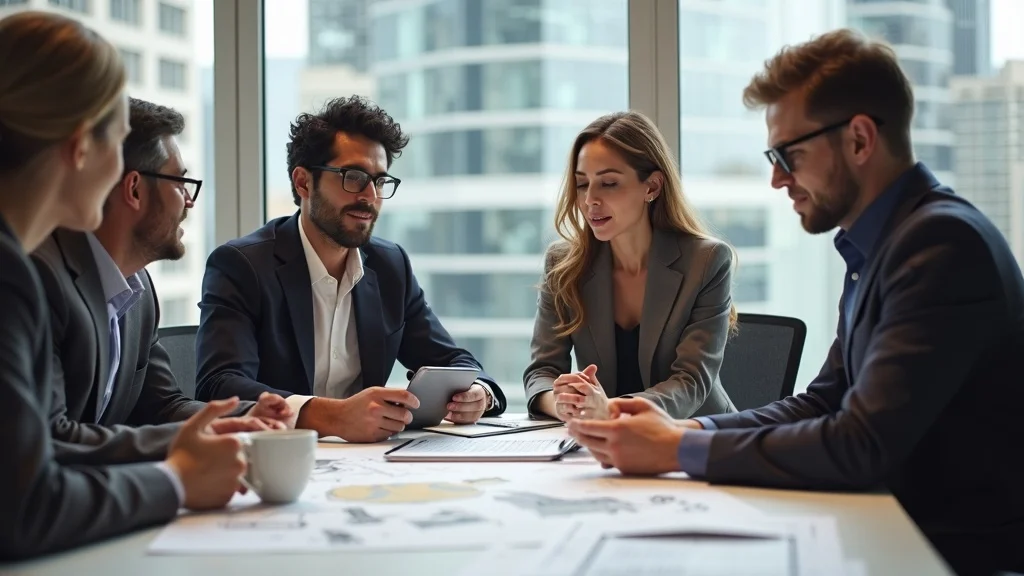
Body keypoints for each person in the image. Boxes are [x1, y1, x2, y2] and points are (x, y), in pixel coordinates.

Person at [566, 29, 1024, 575]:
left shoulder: (940, 245)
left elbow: (859, 443)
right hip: (886, 527)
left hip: (944, 551)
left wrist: (674, 452)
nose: (777, 178)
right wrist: (686, 431)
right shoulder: (883, 245)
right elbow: (824, 400)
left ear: (859, 140)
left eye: (790, 154)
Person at [0, 12, 249, 560]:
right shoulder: (17, 273)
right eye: (114, 140)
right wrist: (179, 480)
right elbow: (25, 502)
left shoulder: (132, 289)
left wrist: (239, 426)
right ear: (80, 145)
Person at [195, 96, 506, 443]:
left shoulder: (390, 265)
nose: (370, 196)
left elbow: (452, 361)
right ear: (303, 183)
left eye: (380, 181)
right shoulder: (243, 265)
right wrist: (332, 416)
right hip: (275, 458)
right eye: (354, 177)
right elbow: (219, 385)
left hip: (368, 463)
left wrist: (479, 392)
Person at [31, 97, 293, 466]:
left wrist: (244, 421)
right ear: (135, 189)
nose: (188, 201)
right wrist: (185, 451)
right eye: (180, 182)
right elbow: (54, 437)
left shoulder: (139, 291)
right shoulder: (43, 278)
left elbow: (162, 406)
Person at [524, 111, 737, 421]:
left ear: (651, 186)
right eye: (583, 184)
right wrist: (560, 401)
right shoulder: (564, 264)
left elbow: (690, 383)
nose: (590, 200)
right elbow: (542, 371)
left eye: (609, 183)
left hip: (693, 437)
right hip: (601, 438)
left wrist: (608, 409)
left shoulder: (707, 261)